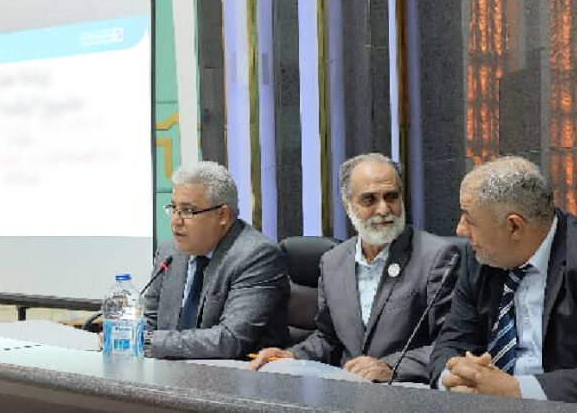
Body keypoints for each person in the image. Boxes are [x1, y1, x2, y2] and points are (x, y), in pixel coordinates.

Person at [429, 156, 577, 406]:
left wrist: (514, 389)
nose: (460, 230)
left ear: (514, 226)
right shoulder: (479, 257)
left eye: (469, 220)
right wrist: (455, 379)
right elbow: (450, 345)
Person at [249, 153, 460, 382]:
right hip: (347, 390)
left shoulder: (436, 256)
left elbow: (452, 344)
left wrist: (391, 367)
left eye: (391, 197)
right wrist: (291, 356)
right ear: (347, 203)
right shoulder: (332, 262)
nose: (383, 209)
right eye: (369, 200)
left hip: (405, 389)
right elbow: (329, 340)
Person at [139, 161, 289, 359]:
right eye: (174, 208)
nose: (175, 220)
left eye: (187, 211)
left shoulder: (257, 256)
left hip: (235, 374)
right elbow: (149, 319)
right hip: (170, 370)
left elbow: (229, 340)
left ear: (222, 215)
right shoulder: (169, 252)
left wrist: (144, 341)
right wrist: (123, 334)